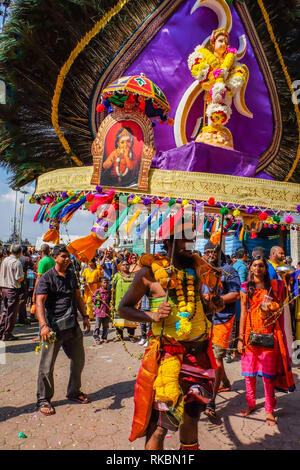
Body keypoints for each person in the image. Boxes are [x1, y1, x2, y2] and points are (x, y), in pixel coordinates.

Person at [118, 223, 220, 450]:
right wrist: (152, 315)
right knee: (161, 425)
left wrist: (212, 305)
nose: (189, 246)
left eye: (191, 240)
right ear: (168, 242)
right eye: (184, 240)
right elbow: (123, 309)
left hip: (199, 355)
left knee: (192, 416)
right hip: (168, 357)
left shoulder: (197, 271)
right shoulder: (149, 273)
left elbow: (196, 308)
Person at [238, 256, 295, 425]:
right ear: (250, 268)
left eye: (261, 265)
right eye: (255, 265)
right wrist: (240, 338)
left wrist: (272, 306)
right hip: (250, 336)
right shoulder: (245, 288)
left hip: (269, 336)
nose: (258, 268)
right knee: (249, 376)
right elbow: (243, 313)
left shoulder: (274, 287)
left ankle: (269, 410)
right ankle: (250, 404)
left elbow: (281, 307)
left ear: (265, 268)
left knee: (267, 377)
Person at [35, 244, 90, 416]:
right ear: (55, 257)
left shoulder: (71, 275)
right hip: (52, 329)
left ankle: (73, 391)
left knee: (79, 360)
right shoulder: (46, 278)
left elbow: (78, 297)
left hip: (72, 327)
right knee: (46, 366)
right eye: (63, 256)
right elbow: (39, 303)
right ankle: (44, 399)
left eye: (68, 257)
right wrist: (43, 325)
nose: (67, 260)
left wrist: (86, 316)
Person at [202, 241, 240, 421]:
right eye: (206, 252)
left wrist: (217, 299)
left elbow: (236, 294)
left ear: (218, 253)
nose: (210, 255)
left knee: (216, 358)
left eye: (212, 252)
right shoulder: (202, 271)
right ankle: (224, 382)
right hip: (204, 320)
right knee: (211, 355)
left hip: (223, 319)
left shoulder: (228, 270)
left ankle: (211, 401)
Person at [0, 245, 24, 341]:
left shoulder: (5, 260)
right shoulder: (17, 262)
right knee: (11, 313)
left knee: (5, 311)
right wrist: (23, 276)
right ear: (19, 252)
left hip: (4, 288)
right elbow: (19, 278)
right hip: (12, 290)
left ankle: (2, 331)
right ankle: (7, 334)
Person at [111, 259, 137, 342]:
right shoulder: (117, 276)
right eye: (123, 265)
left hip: (130, 302)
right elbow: (112, 289)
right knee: (118, 320)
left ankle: (131, 336)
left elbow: (137, 288)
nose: (125, 266)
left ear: (129, 266)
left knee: (130, 320)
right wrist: (111, 301)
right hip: (119, 302)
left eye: (127, 264)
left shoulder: (134, 276)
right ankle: (119, 336)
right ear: (120, 266)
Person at [91, 277, 111, 344]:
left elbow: (111, 300)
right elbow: (92, 298)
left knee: (106, 325)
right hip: (99, 311)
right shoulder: (98, 291)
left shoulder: (109, 292)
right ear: (101, 283)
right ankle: (96, 338)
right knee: (97, 325)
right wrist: (96, 298)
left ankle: (104, 337)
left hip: (106, 311)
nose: (106, 284)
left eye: (107, 282)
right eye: (104, 282)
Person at [17, 246, 34, 325]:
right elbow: (33, 266)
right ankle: (22, 318)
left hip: (15, 281)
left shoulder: (16, 258)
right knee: (23, 300)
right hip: (23, 281)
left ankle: (19, 318)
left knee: (17, 300)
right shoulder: (27, 259)